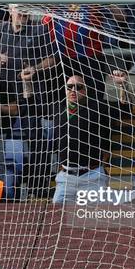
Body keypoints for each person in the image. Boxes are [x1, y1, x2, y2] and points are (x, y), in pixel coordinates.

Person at [52, 75, 110, 203]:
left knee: (97, 218)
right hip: (66, 177)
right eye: (69, 87)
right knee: (56, 215)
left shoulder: (98, 108)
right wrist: (27, 82)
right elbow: (29, 105)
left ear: (85, 90)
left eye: (78, 87)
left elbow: (125, 107)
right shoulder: (58, 109)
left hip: (92, 175)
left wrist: (122, 86)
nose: (73, 90)